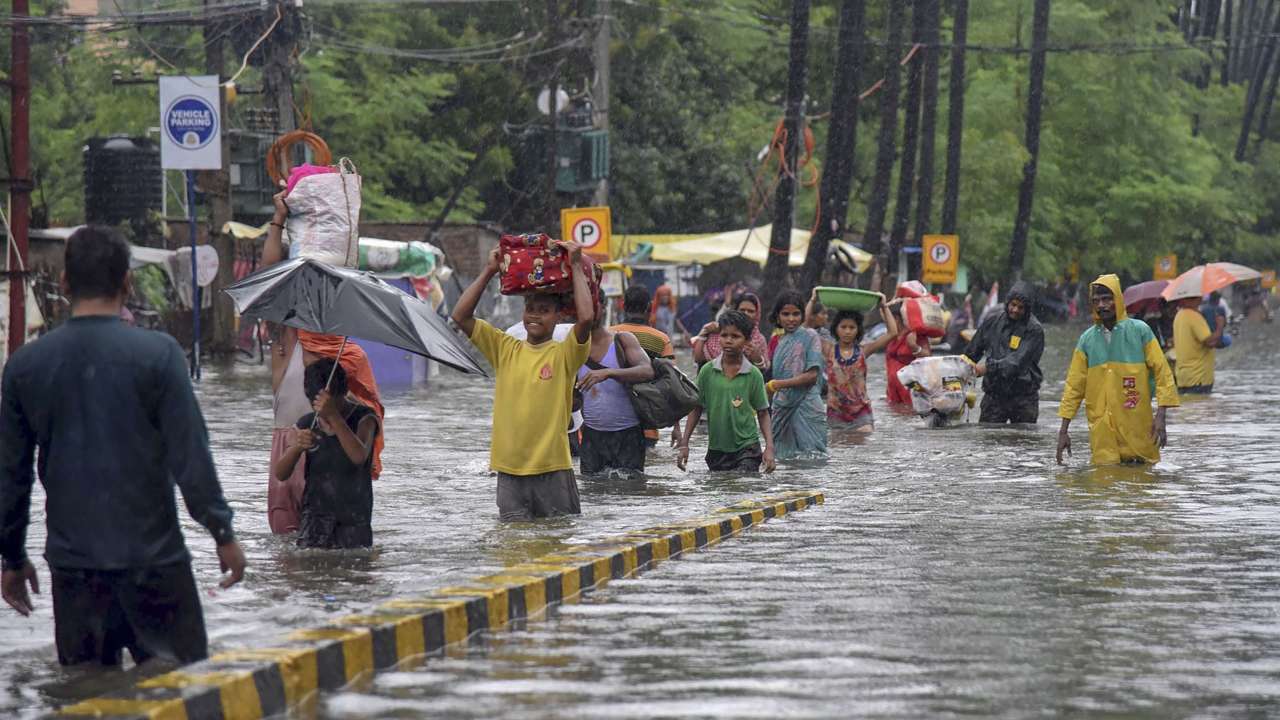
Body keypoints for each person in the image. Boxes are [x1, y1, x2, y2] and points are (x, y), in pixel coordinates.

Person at [0, 226, 246, 666]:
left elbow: (11, 477)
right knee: (184, 695)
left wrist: (12, 558)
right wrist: (222, 532)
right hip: (156, 566)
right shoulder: (160, 356)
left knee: (84, 700)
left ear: (65, 284)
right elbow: (191, 457)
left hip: (75, 573)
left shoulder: (25, 367)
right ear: (127, 283)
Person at [261, 191, 385, 534]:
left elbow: (363, 425)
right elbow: (269, 279)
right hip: (291, 448)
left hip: (336, 466)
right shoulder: (288, 339)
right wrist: (278, 220)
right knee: (290, 556)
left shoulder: (351, 355)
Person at [452, 241, 594, 521]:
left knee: (557, 546)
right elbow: (460, 316)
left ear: (558, 316)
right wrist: (489, 270)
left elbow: (587, 318)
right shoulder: (505, 348)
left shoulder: (564, 353)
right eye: (530, 308)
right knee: (512, 547)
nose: (534, 315)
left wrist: (576, 266)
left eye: (543, 310)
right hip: (509, 472)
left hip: (553, 470)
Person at [1057, 274, 1180, 466]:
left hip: (1138, 426)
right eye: (1096, 301)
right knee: (1105, 483)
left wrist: (1161, 416)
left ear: (1118, 300)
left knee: (1143, 483)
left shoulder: (1140, 331)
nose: (1101, 305)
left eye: (1107, 299)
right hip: (1102, 432)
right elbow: (1074, 386)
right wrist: (1063, 431)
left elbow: (1162, 372)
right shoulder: (1087, 340)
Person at [274, 360, 379, 549]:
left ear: (343, 393)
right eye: (317, 406)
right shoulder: (308, 423)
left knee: (353, 569)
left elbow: (358, 456)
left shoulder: (365, 418)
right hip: (315, 517)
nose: (321, 412)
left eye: (329, 405)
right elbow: (281, 473)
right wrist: (297, 447)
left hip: (353, 520)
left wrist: (334, 416)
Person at [677, 310, 776, 473]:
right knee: (720, 492)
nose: (728, 341)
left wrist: (769, 448)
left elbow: (763, 412)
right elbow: (696, 408)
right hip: (717, 451)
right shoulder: (707, 371)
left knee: (743, 487)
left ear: (746, 340)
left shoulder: (753, 374)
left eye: (735, 336)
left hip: (747, 449)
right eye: (724, 335)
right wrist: (685, 443)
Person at [576, 295, 655, 475]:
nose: (588, 312)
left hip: (628, 434)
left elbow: (647, 370)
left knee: (630, 494)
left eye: (593, 306)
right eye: (583, 307)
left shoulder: (622, 340)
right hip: (591, 436)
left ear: (603, 307)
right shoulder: (572, 346)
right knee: (591, 494)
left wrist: (610, 373)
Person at [963, 281, 1045, 424]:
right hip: (994, 395)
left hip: (1023, 398)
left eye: (1021, 307)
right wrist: (957, 370)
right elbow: (971, 354)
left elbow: (1016, 363)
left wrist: (987, 367)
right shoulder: (992, 322)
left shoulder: (1034, 330)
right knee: (988, 440)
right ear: (1007, 303)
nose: (1015, 310)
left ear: (1028, 309)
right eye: (1013, 305)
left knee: (1022, 442)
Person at [611, 284, 680, 447]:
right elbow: (673, 384)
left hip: (610, 422)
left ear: (624, 306)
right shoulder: (661, 339)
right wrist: (676, 427)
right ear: (649, 307)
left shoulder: (608, 335)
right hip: (648, 424)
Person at [766, 291, 828, 460]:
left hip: (807, 405)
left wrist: (778, 384)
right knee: (781, 458)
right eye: (786, 314)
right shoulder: (779, 342)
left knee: (814, 457)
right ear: (778, 317)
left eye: (796, 314)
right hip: (783, 407)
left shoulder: (810, 336)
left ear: (802, 315)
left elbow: (812, 376)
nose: (791, 319)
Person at [826, 308, 878, 431]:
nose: (847, 331)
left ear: (858, 330)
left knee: (865, 439)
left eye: (852, 327)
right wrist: (812, 299)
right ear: (836, 328)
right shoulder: (829, 350)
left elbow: (892, 333)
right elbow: (805, 328)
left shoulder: (863, 350)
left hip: (861, 412)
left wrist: (884, 307)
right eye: (843, 327)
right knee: (839, 447)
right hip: (836, 412)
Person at [693, 292, 770, 372]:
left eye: (750, 311)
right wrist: (704, 333)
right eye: (742, 310)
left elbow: (762, 372)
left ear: (757, 314)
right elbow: (698, 359)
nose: (746, 314)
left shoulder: (759, 340)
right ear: (736, 310)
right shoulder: (717, 331)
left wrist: (757, 359)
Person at [1173, 295, 1220, 394]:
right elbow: (1209, 342)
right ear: (1198, 299)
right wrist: (1220, 326)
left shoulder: (1179, 315)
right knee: (1200, 407)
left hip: (1183, 377)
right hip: (1199, 377)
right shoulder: (1194, 316)